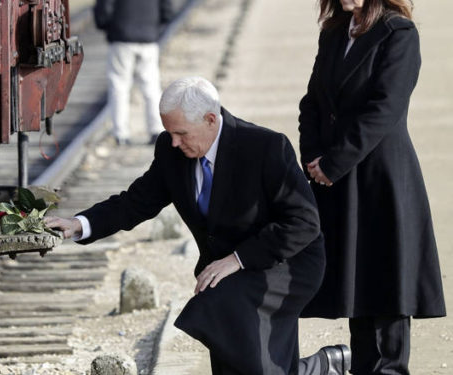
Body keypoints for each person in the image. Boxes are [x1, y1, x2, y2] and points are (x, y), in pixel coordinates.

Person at [46, 77, 350, 375]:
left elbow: (304, 222)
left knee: (214, 308)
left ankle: (316, 366)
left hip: (285, 260)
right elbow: (135, 202)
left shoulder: (265, 146)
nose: (174, 142)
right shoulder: (171, 150)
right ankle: (319, 366)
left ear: (209, 119)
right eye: (169, 132)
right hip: (223, 270)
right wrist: (79, 224)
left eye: (181, 133)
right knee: (225, 330)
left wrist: (237, 259)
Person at [297, 0, 446, 373]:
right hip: (338, 180)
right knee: (357, 289)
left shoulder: (398, 34)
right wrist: (313, 155)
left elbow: (385, 108)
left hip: (382, 177)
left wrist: (333, 162)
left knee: (385, 285)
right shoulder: (334, 32)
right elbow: (313, 101)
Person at [94, 0, 173, 145]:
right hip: (148, 39)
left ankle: (121, 134)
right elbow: (167, 11)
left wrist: (109, 27)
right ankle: (156, 130)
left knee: (119, 86)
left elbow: (103, 10)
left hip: (121, 38)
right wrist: (153, 27)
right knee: (151, 87)